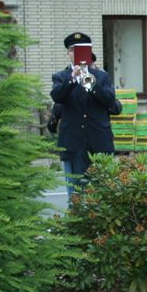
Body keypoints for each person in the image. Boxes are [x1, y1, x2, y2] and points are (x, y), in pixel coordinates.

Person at [50, 32, 119, 195]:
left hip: (99, 142)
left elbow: (110, 102)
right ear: (68, 53)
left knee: (102, 192)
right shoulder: (61, 77)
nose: (76, 53)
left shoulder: (101, 76)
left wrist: (91, 84)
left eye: (81, 50)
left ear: (89, 52)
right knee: (75, 194)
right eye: (72, 50)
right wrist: (73, 79)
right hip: (73, 143)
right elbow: (57, 97)